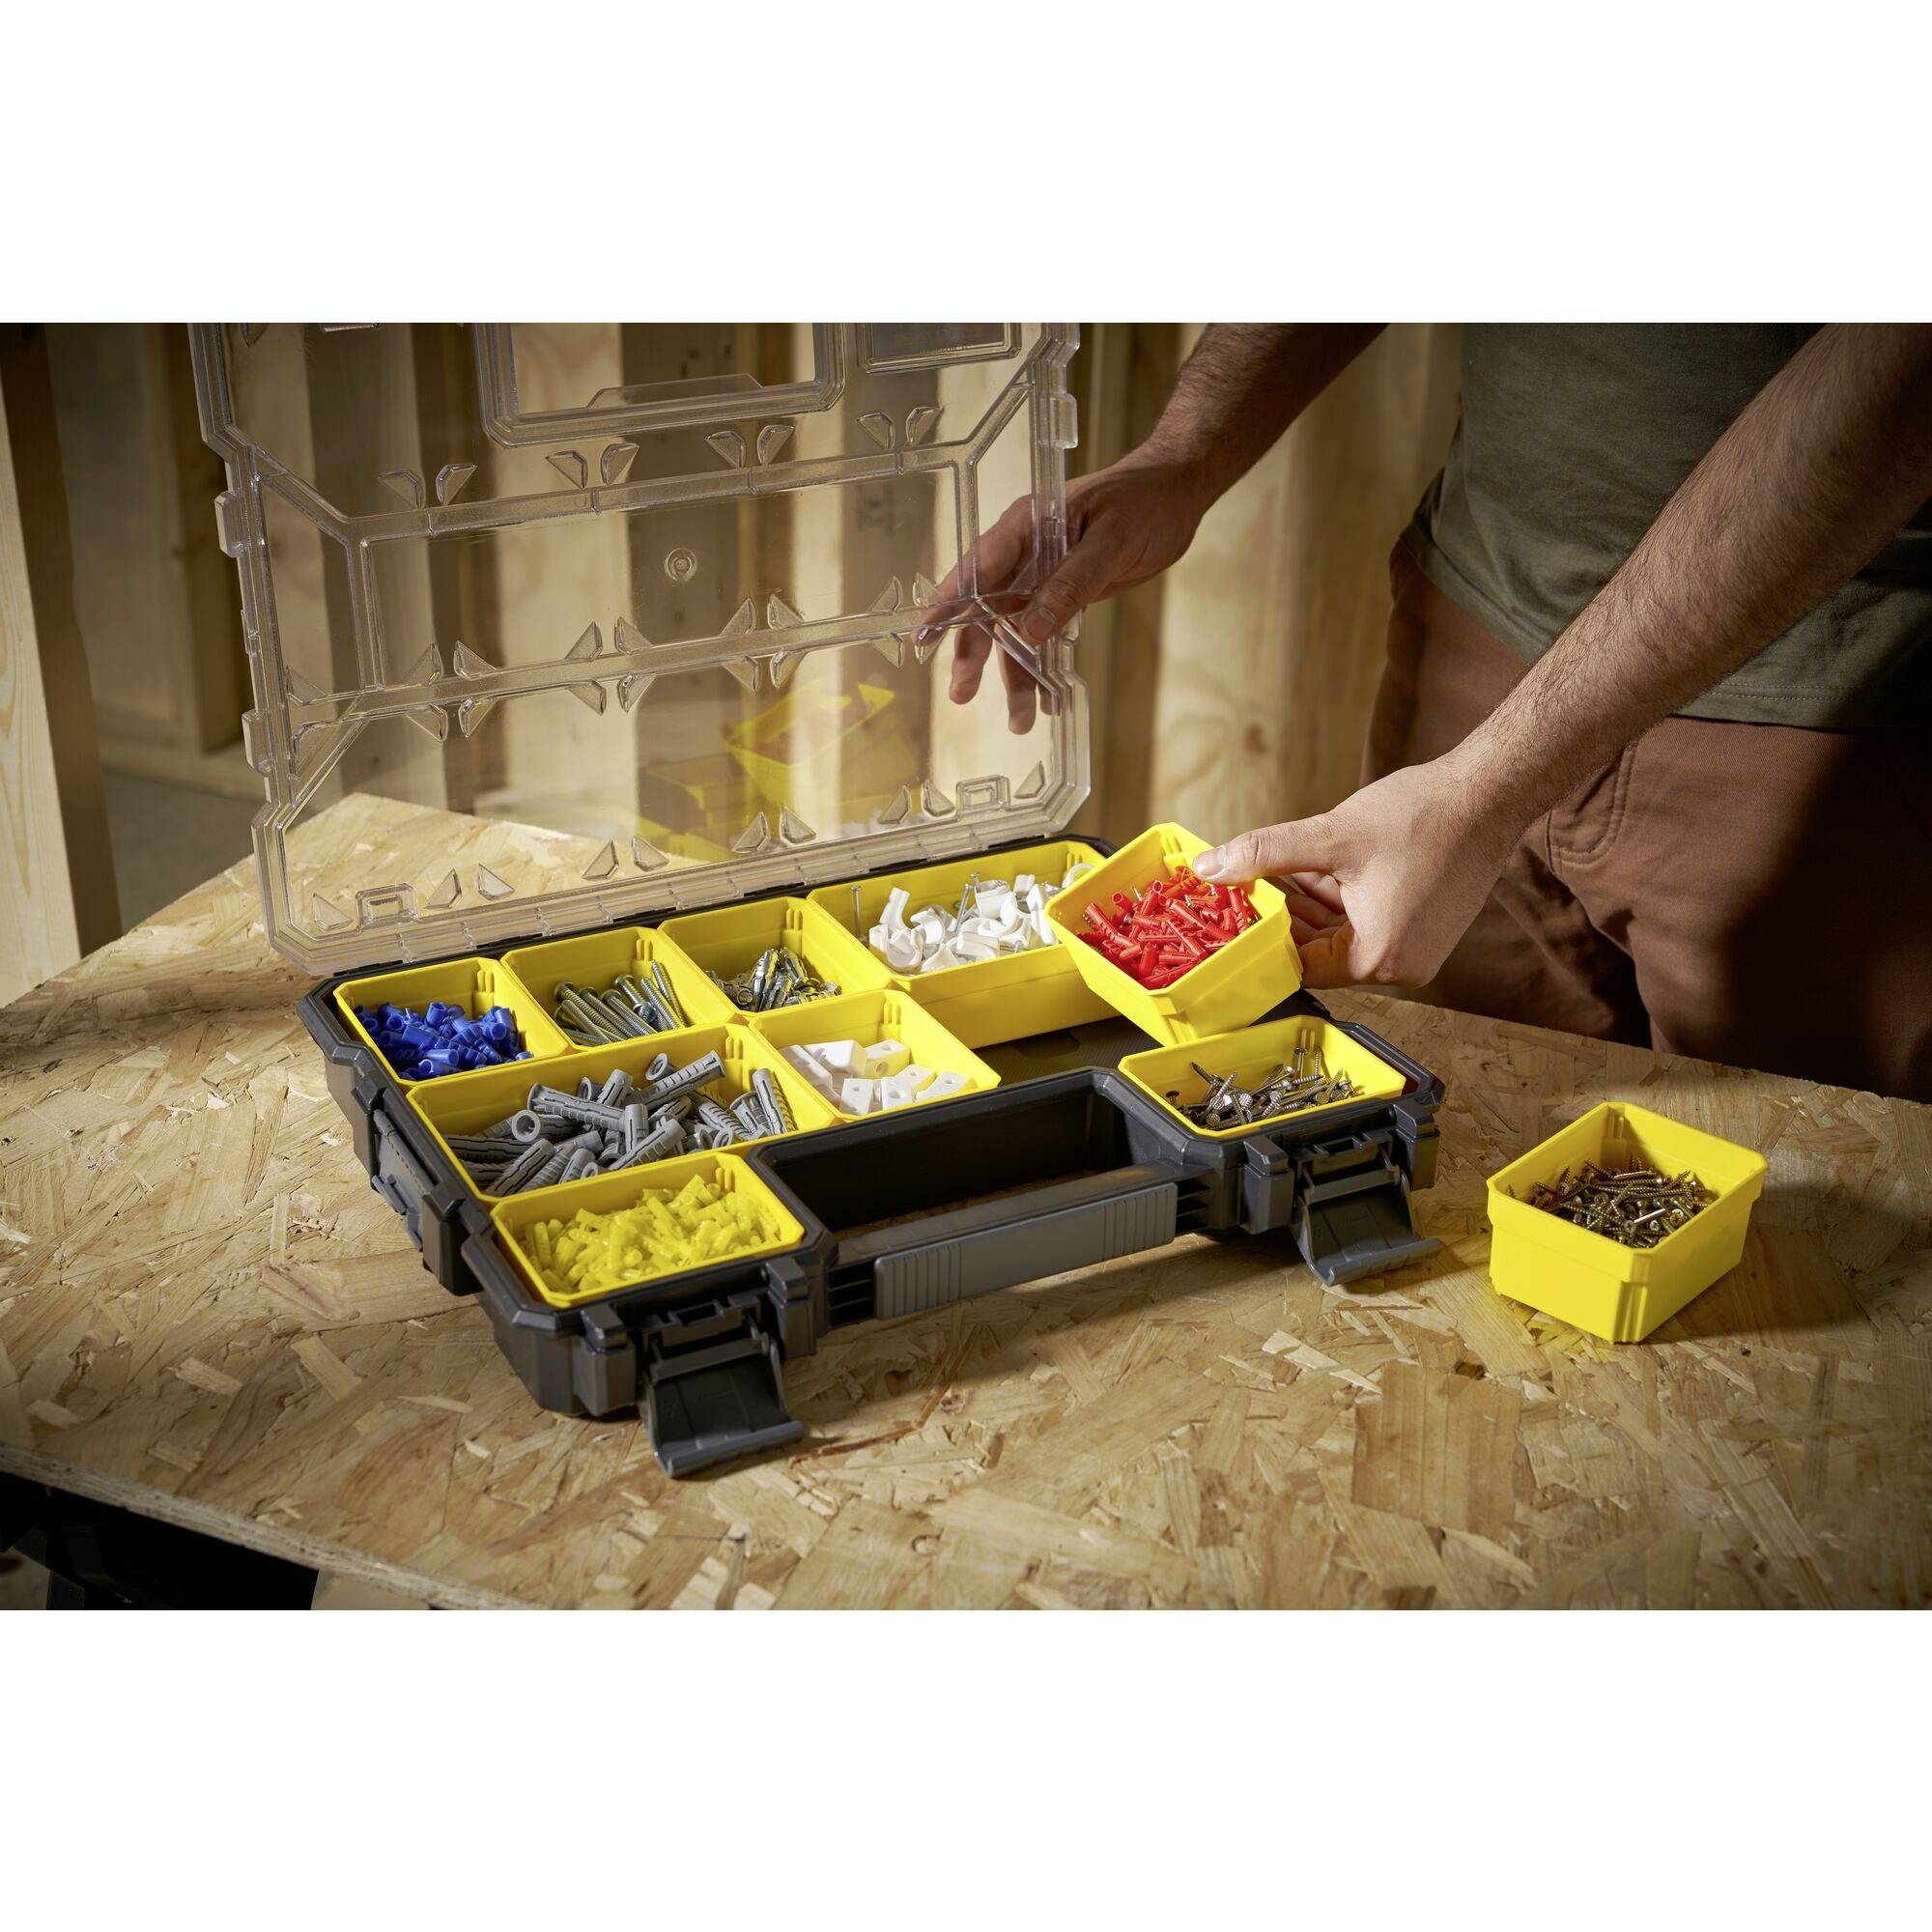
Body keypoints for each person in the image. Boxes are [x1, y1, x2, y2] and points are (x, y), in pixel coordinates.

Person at [925, 325, 1932, 1101]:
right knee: (1466, 1126)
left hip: (1822, 715)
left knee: (1788, 1216)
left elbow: (1896, 375)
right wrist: (1184, 455)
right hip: (1471, 633)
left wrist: (1479, 791)